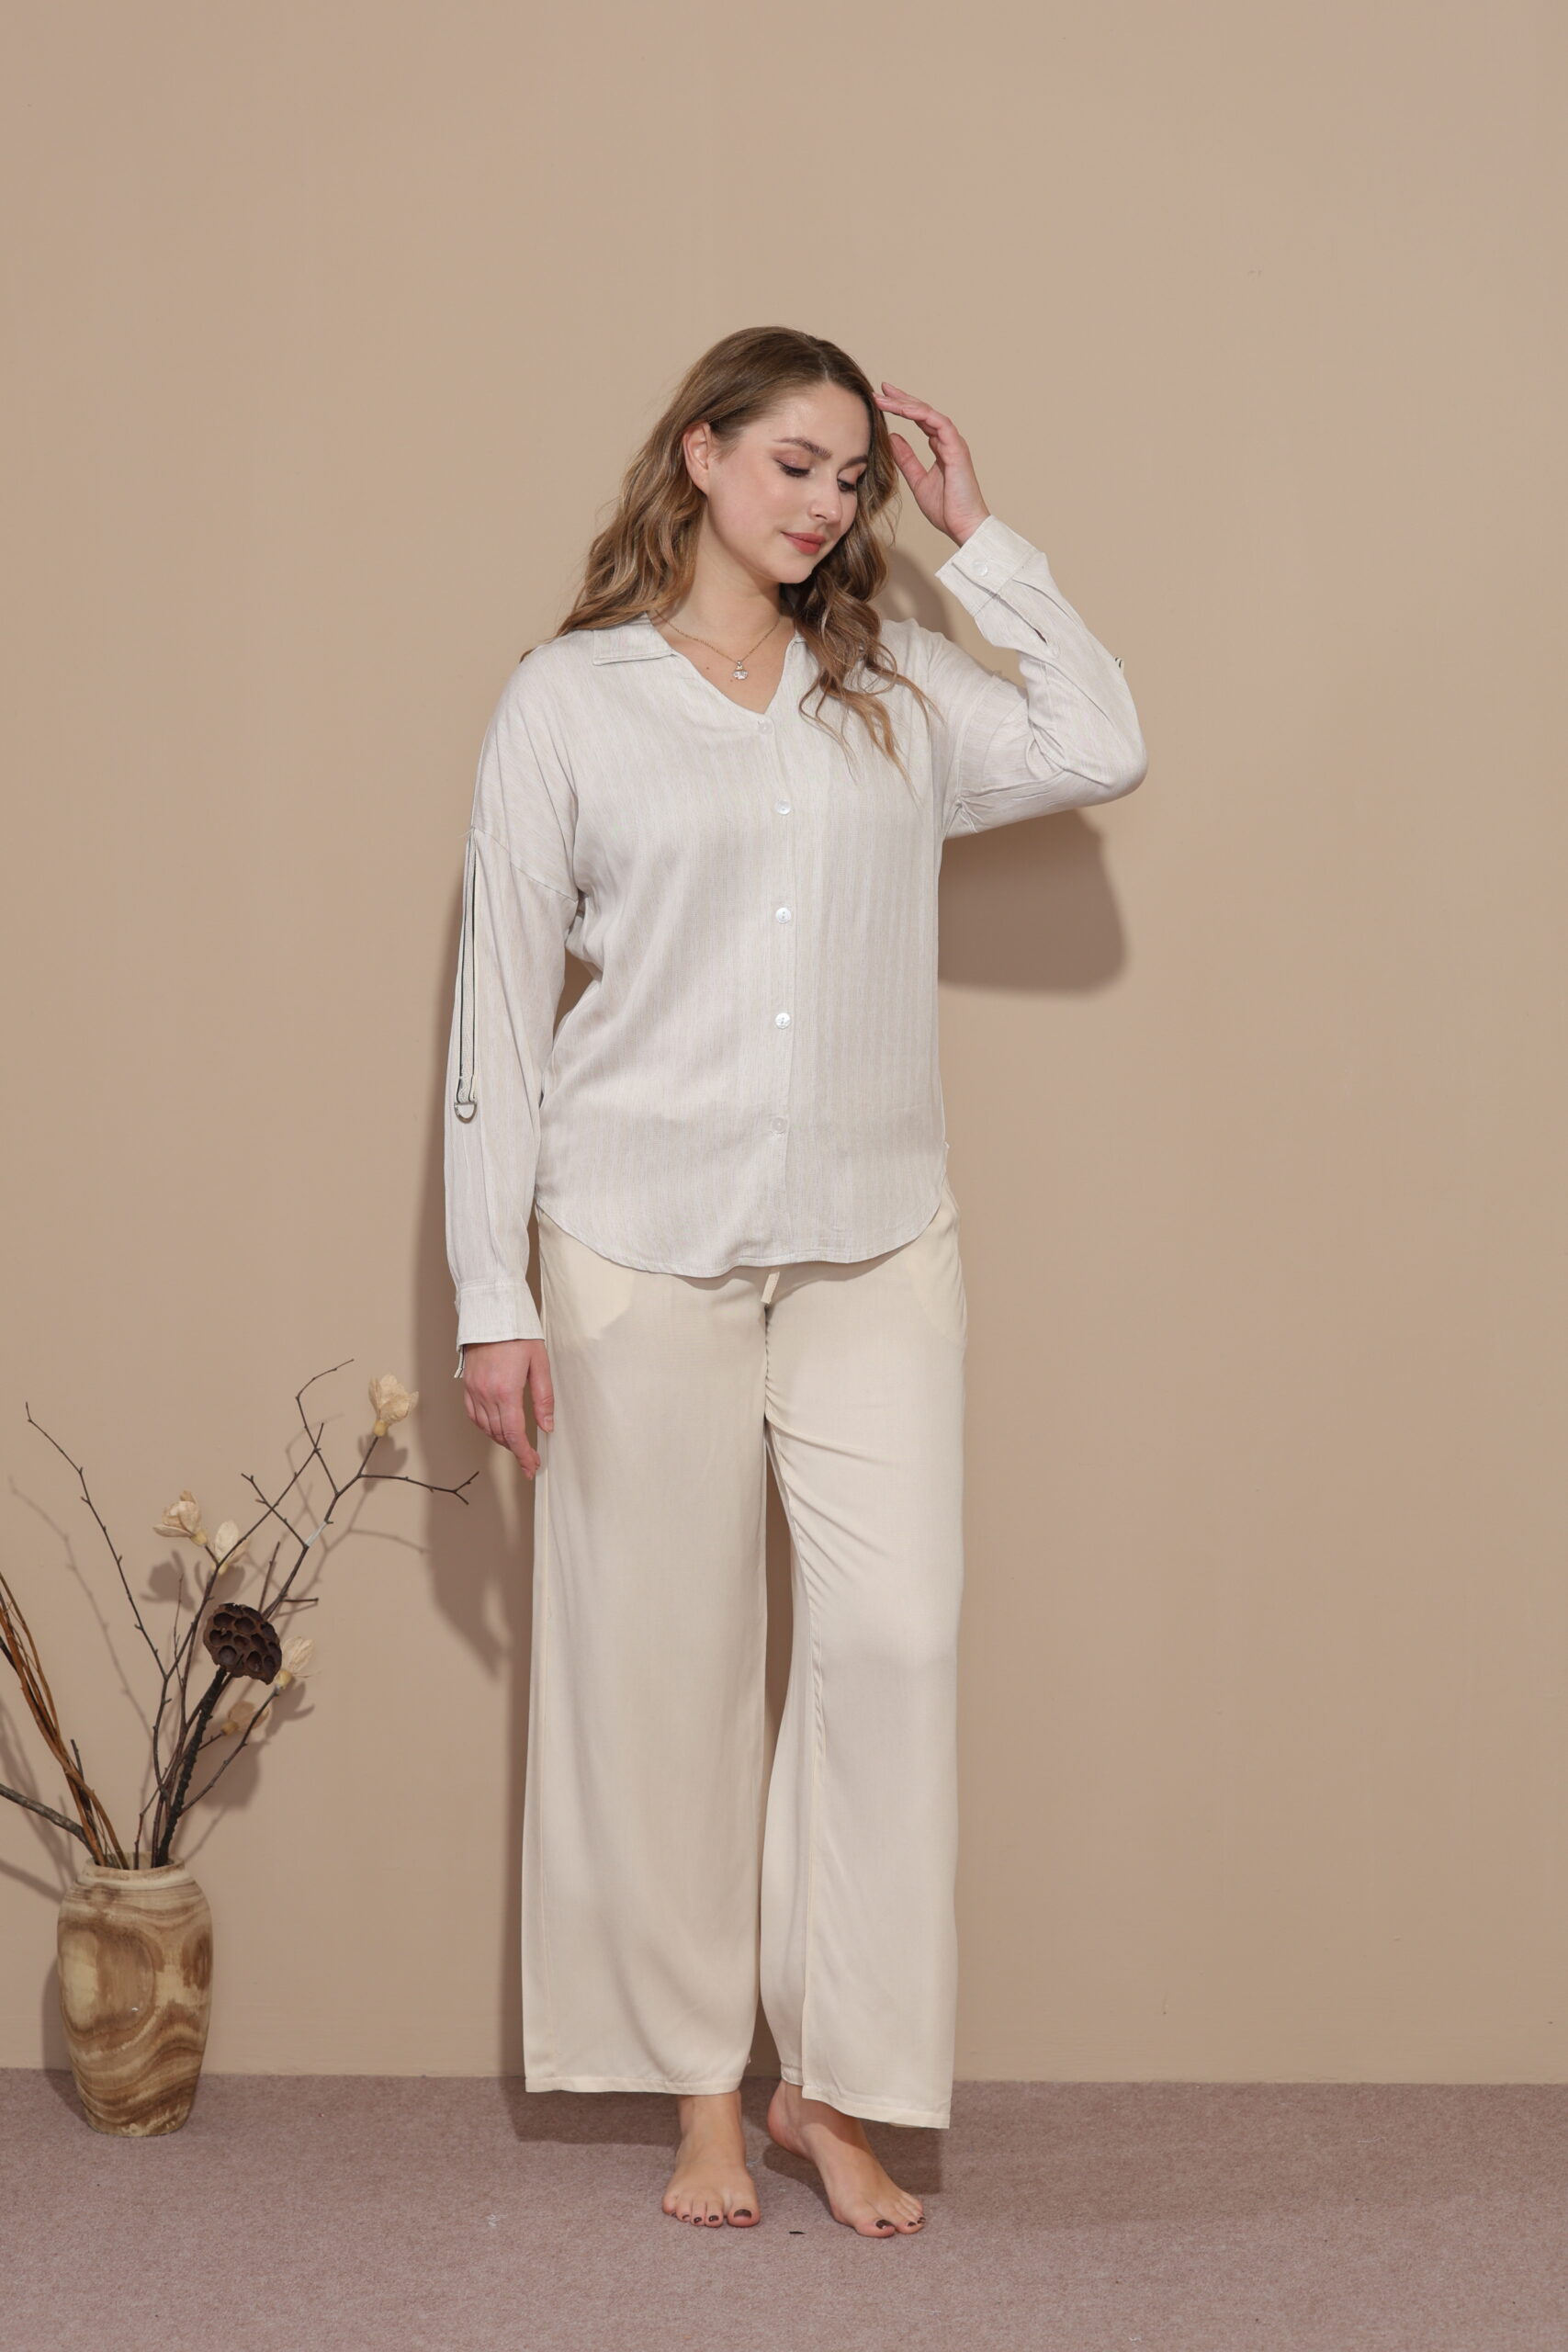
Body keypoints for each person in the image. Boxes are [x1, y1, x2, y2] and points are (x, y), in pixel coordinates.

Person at [443, 325, 1147, 2238]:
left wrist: (982, 538)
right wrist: (491, 1297)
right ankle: (699, 2087)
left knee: (891, 1643)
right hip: (633, 1240)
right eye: (793, 464)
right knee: (664, 1667)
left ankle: (824, 2084)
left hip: (873, 1237)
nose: (827, 504)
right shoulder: (569, 701)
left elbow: (1100, 742)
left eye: (852, 478)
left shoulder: (893, 683)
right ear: (700, 453)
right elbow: (496, 1008)